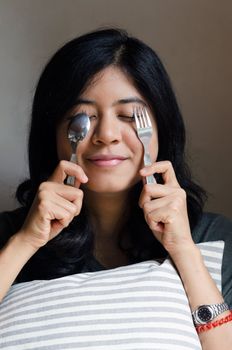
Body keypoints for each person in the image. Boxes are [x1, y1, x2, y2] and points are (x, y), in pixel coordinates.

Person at [0, 28, 232, 348]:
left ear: (161, 128)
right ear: (52, 133)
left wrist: (184, 250)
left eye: (128, 116)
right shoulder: (11, 236)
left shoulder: (214, 236)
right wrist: (25, 242)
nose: (106, 134)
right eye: (83, 117)